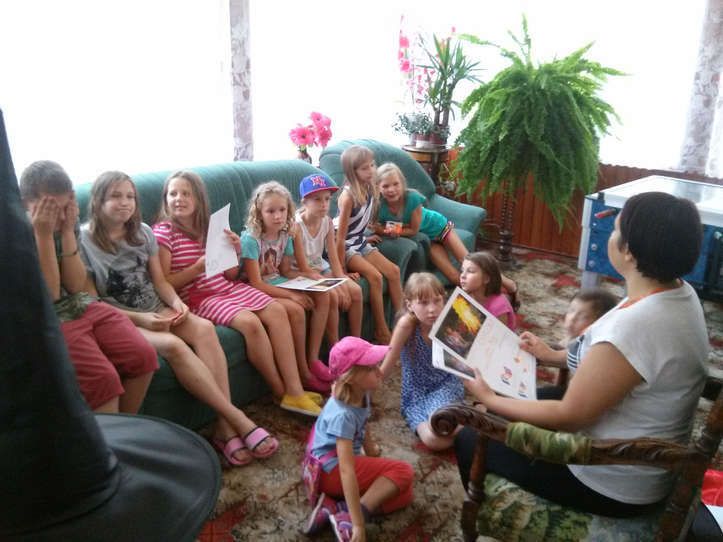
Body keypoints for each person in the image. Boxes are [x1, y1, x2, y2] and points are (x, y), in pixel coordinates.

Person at [455, 191, 710, 517]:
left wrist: (488, 398)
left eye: (615, 230)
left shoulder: (637, 325)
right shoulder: (676, 292)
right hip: (641, 455)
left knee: (470, 435)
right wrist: (553, 356)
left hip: (611, 478)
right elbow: (622, 364)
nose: (611, 236)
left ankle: (491, 518)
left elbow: (569, 416)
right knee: (507, 404)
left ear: (629, 252)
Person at [79, 170, 279, 467]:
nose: (125, 202)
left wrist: (175, 303)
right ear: (97, 201)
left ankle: (224, 428)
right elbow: (92, 302)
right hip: (120, 319)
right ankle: (236, 418)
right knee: (174, 346)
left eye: (130, 196)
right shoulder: (83, 241)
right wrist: (142, 320)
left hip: (158, 305)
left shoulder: (142, 232)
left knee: (205, 329)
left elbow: (160, 282)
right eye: (115, 196)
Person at [152, 170, 322, 416]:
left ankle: (295, 389)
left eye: (186, 193)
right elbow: (164, 282)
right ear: (165, 199)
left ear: (198, 198)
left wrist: (235, 250)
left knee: (277, 310)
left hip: (227, 287)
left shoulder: (209, 228)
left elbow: (231, 275)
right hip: (199, 296)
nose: (179, 198)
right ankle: (281, 392)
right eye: (173, 194)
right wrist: (196, 268)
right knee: (250, 322)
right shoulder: (163, 233)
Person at [19, 160, 157, 414]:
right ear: (25, 204)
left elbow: (75, 285)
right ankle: (106, 439)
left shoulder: (66, 222)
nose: (62, 216)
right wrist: (44, 235)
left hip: (78, 303)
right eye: (52, 209)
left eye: (65, 207)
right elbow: (50, 294)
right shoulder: (16, 233)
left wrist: (67, 232)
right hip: (46, 315)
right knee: (103, 380)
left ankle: (127, 431)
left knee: (144, 357)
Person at [303, 336, 414, 541]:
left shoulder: (359, 392)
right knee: (403, 472)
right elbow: (346, 471)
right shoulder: (343, 415)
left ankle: (335, 507)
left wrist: (370, 449)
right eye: (371, 368)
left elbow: (363, 422)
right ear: (351, 378)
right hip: (329, 472)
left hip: (328, 468)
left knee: (405, 495)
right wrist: (359, 525)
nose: (380, 371)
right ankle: (349, 516)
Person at [240, 181, 332, 392]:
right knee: (297, 309)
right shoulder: (251, 240)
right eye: (270, 211)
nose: (277, 216)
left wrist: (309, 278)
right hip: (257, 288)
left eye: (282, 210)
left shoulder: (284, 234)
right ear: (259, 213)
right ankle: (303, 372)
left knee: (323, 295)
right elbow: (256, 282)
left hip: (277, 281)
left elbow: (285, 271)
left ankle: (313, 359)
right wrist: (291, 296)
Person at [381, 272, 464, 450]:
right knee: (433, 440)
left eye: (437, 301)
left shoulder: (448, 320)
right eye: (424, 303)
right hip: (415, 393)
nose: (432, 309)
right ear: (409, 305)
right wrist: (360, 387)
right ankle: (474, 426)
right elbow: (389, 362)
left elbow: (460, 361)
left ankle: (471, 423)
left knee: (439, 423)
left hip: (445, 384)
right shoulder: (406, 325)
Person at [334, 146, 403, 345]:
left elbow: (361, 221)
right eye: (365, 168)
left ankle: (402, 323)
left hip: (359, 240)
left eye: (372, 165)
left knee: (394, 271)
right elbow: (339, 239)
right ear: (352, 171)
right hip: (345, 245)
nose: (371, 170)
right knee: (375, 277)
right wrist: (343, 271)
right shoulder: (347, 197)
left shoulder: (371, 188)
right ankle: (381, 331)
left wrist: (365, 235)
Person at [371, 162, 469, 285]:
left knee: (469, 264)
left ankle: (490, 289)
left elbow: (413, 230)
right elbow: (375, 227)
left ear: (402, 183)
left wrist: (391, 230)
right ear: (378, 187)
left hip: (439, 227)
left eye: (396, 184)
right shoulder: (378, 205)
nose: (391, 190)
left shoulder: (413, 199)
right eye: (385, 186)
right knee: (454, 277)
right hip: (427, 240)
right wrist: (387, 230)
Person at [293, 173, 364, 341]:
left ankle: (357, 343)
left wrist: (342, 279)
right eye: (317, 200)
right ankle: (336, 347)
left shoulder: (327, 222)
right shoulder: (297, 226)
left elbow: (334, 259)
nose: (324, 204)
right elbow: (304, 268)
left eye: (327, 199)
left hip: (320, 267)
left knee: (356, 291)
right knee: (335, 296)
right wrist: (336, 287)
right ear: (304, 202)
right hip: (300, 273)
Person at [519, 287, 618, 399]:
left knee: (531, 397)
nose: (572, 319)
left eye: (583, 316)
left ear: (598, 325)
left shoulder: (596, 348)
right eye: (571, 311)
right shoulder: (568, 341)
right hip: (572, 389)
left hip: (584, 397)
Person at [459, 251, 517, 330]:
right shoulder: (467, 296)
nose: (462, 275)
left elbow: (497, 335)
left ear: (486, 278)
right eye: (462, 270)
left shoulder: (499, 307)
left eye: (470, 271)